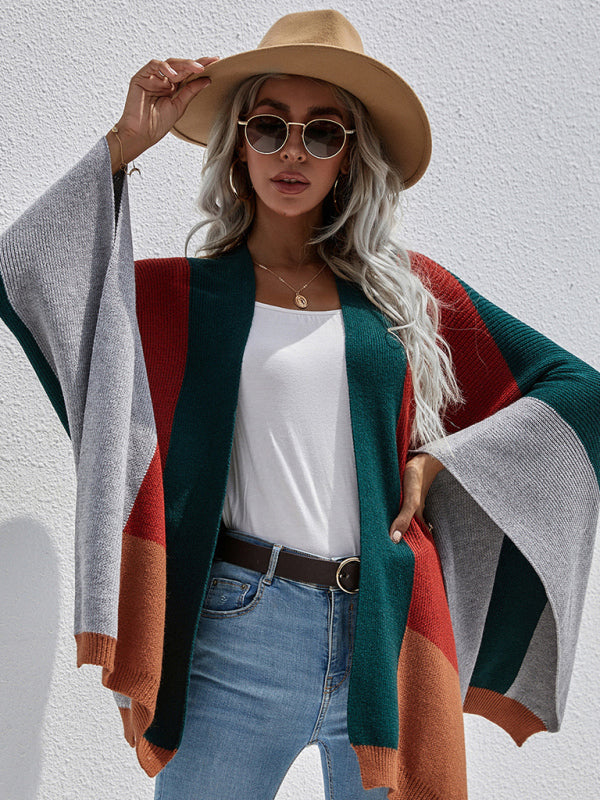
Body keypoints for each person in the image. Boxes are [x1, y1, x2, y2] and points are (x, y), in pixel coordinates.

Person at [0, 9, 598, 800]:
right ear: (238, 143)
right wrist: (126, 142)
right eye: (269, 126)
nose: (292, 150)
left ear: (349, 157)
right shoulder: (176, 299)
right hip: (236, 633)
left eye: (322, 133)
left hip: (383, 633)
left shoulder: (404, 296)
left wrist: (440, 464)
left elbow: (577, 391)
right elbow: (26, 270)